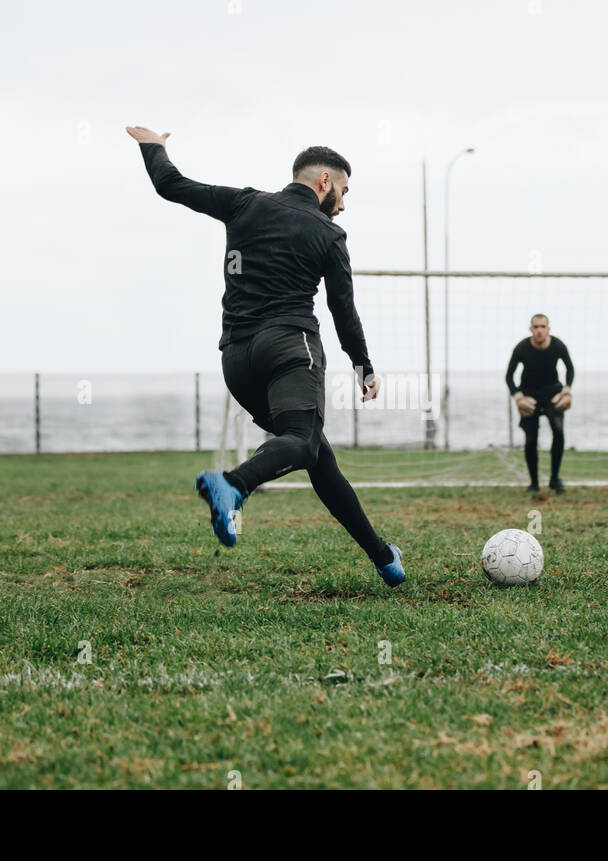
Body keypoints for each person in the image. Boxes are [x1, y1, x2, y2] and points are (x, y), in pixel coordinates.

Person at [126, 125, 404, 586]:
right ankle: (233, 484)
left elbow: (170, 185)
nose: (343, 201)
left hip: (236, 359)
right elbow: (342, 309)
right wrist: (364, 365)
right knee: (302, 441)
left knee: (316, 455)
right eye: (344, 189)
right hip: (288, 348)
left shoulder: (244, 203)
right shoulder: (329, 234)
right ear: (323, 182)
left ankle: (382, 556)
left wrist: (153, 146)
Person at [505, 314, 574, 493]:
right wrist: (518, 397)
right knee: (530, 439)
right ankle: (534, 483)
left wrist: (567, 390)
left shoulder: (558, 345)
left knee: (558, 432)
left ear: (548, 329)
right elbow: (509, 376)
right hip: (529, 395)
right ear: (531, 329)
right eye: (536, 327)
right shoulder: (522, 348)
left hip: (552, 394)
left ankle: (554, 479)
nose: (539, 331)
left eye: (543, 327)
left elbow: (569, 368)